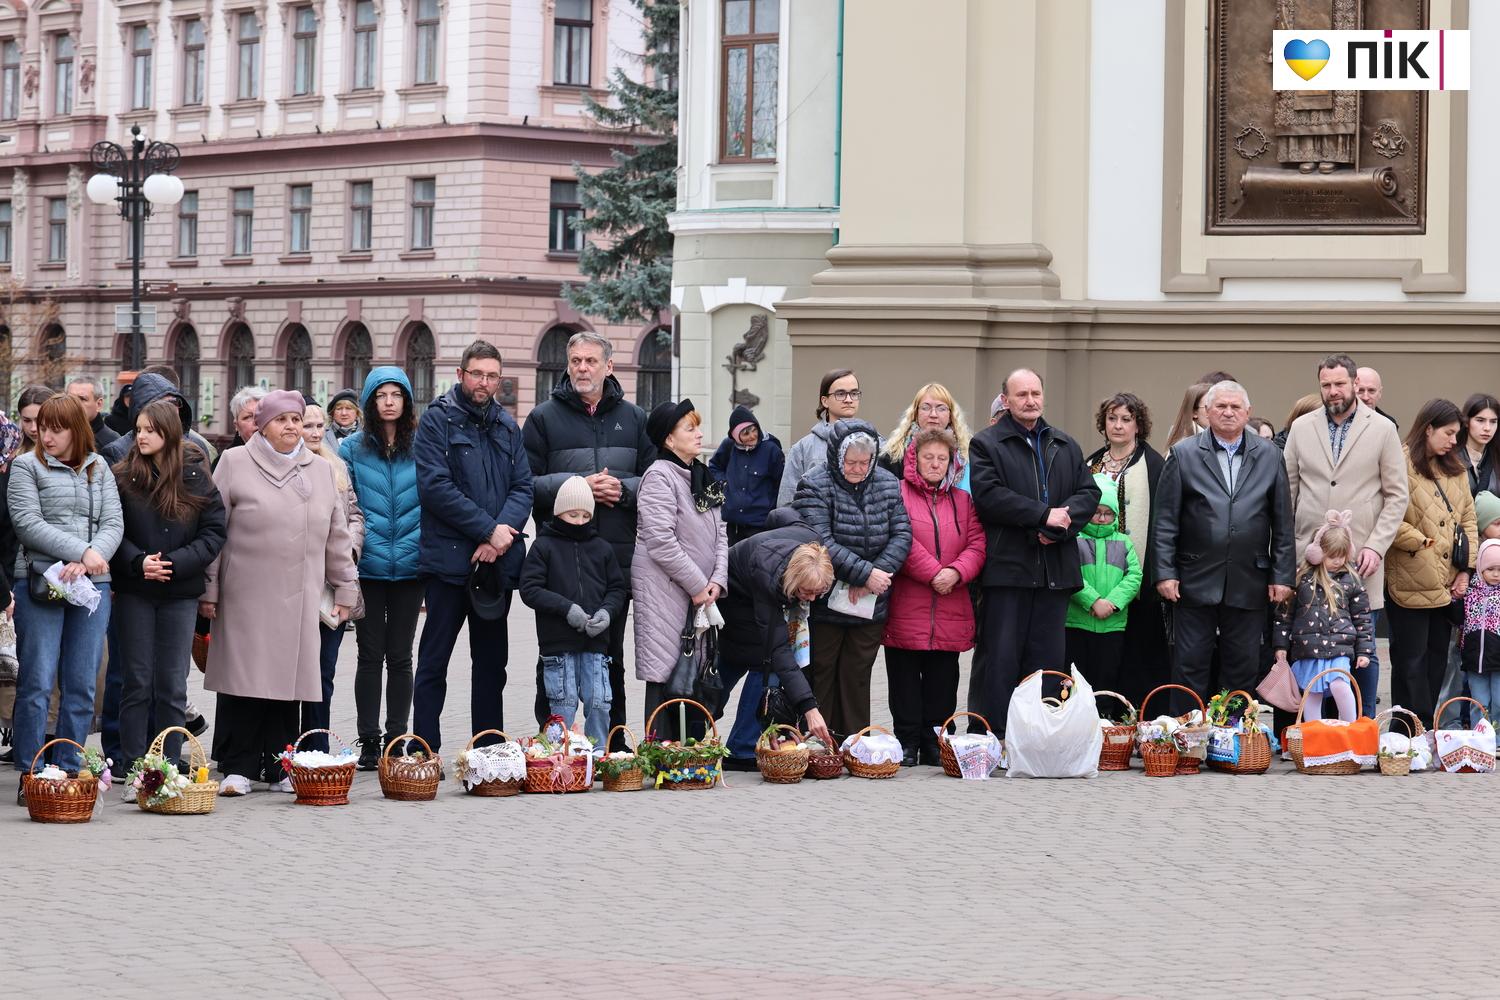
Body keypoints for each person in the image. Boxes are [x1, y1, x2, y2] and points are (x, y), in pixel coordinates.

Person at [200, 390, 358, 795]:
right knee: (244, 679)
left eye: (296, 419)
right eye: (282, 420)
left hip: (299, 593)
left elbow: (337, 536)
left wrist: (345, 589)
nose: (291, 426)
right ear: (263, 425)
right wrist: (210, 589)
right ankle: (237, 766)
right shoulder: (235, 463)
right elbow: (215, 530)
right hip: (245, 592)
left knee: (289, 685)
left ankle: (280, 767)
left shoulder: (319, 470)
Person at [522, 331, 652, 751]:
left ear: (608, 367)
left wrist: (624, 489)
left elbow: (654, 482)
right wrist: (578, 485)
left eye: (591, 361)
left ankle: (614, 741)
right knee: (556, 652)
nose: (582, 368)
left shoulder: (634, 418)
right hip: (558, 558)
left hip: (614, 555)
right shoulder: (544, 417)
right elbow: (525, 484)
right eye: (575, 361)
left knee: (608, 651)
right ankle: (552, 738)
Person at [412, 341, 532, 754]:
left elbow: (523, 487)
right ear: (461, 374)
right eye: (477, 373)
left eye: (492, 375)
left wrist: (500, 537)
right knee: (433, 662)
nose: (484, 382)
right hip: (447, 562)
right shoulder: (436, 422)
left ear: (499, 379)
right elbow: (435, 488)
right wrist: (487, 531)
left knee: (491, 665)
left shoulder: (506, 425)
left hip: (494, 566)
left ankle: (490, 750)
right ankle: (423, 751)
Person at [968, 369, 1098, 737]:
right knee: (999, 661)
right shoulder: (986, 443)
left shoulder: (1065, 444)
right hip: (1007, 572)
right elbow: (989, 496)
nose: (1030, 400)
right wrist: (1042, 516)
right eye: (1021, 394)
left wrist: (1057, 528)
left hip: (1054, 572)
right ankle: (989, 738)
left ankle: (1042, 739)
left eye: (1036, 393)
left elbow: (1087, 494)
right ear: (1005, 401)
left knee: (1048, 665)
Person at [1154, 381, 1295, 711]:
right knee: (1190, 663)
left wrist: (1283, 575)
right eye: (1221, 407)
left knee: (1242, 665)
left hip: (1249, 578)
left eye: (1235, 407)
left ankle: (1232, 742)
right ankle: (1186, 740)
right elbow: (1165, 521)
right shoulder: (1184, 454)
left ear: (1248, 412)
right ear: (1206, 412)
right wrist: (1164, 572)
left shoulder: (1270, 455)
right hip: (1193, 577)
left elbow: (1283, 522)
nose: (1228, 412)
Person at [1282, 354, 1408, 717]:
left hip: (1360, 556)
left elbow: (1397, 495)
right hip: (1311, 555)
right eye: (1326, 384)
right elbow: (1288, 491)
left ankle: (1362, 725)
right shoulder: (1302, 427)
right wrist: (1290, 551)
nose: (1333, 391)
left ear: (1354, 384)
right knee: (1307, 638)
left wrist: (1377, 546)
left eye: (1339, 383)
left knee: (1361, 641)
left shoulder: (1382, 429)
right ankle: (1307, 732)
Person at [9, 394, 123, 790]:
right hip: (40, 583)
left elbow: (113, 522)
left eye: (56, 428)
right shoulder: (26, 467)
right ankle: (31, 770)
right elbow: (27, 523)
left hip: (91, 584)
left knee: (81, 682)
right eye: (42, 428)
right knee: (38, 681)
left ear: (77, 430)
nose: (47, 435)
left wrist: (93, 558)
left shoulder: (100, 467)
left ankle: (70, 767)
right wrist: (81, 551)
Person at [110, 398, 225, 781]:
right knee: (138, 680)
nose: (141, 436)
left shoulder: (195, 474)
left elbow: (214, 531)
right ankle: (133, 766)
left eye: (150, 430)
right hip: (135, 589)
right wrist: (138, 561)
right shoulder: (122, 475)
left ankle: (169, 766)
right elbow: (111, 528)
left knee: (172, 684)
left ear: (169, 433)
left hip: (179, 591)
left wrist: (176, 562)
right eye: (138, 429)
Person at [793, 418, 910, 740]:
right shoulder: (814, 484)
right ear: (836, 457)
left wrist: (876, 576)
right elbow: (820, 539)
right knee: (822, 670)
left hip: (872, 597)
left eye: (864, 462)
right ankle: (819, 744)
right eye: (851, 462)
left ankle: (854, 743)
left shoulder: (887, 483)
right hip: (827, 596)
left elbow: (902, 533)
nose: (858, 469)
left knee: (858, 674)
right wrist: (863, 573)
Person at [883, 427, 985, 765]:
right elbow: (901, 539)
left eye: (942, 458)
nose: (936, 463)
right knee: (904, 679)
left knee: (944, 679)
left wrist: (956, 572)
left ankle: (935, 740)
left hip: (951, 602)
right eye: (929, 457)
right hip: (908, 601)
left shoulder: (963, 499)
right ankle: (907, 741)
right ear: (914, 458)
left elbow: (977, 543)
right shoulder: (897, 493)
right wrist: (933, 573)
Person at [339, 367, 423, 771]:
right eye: (381, 395)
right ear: (370, 403)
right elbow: (346, 506)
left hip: (410, 566)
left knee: (402, 656)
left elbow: (433, 500)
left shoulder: (422, 446)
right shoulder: (352, 449)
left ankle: (396, 738)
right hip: (367, 567)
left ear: (406, 401)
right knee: (370, 655)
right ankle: (369, 739)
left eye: (397, 394)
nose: (389, 401)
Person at [633, 399, 728, 737]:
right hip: (667, 592)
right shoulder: (659, 476)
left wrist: (717, 580)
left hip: (698, 593)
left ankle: (689, 752)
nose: (700, 434)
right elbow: (660, 541)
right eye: (691, 429)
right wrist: (698, 584)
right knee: (667, 671)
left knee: (693, 670)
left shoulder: (699, 475)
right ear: (669, 440)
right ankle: (663, 754)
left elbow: (721, 533)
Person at [716, 511, 837, 764]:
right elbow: (780, 650)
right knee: (759, 660)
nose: (812, 599)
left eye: (819, 593)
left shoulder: (813, 539)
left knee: (759, 662)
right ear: (793, 582)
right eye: (807, 593)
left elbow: (778, 515)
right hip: (735, 598)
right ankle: (734, 745)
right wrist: (810, 709)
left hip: (756, 582)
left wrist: (764, 536)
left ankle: (740, 743)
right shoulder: (768, 579)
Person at [1385, 398, 1478, 726]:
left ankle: (1426, 729)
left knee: (1437, 659)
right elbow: (1389, 515)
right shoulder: (1399, 460)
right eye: (1449, 433)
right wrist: (1423, 542)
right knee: (1410, 659)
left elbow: (1468, 518)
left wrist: (1466, 569)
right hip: (1409, 575)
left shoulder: (1457, 469)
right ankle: (1405, 729)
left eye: (1457, 435)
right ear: (1428, 428)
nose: (1455, 441)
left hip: (1447, 580)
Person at [518, 476, 625, 749]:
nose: (578, 521)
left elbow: (617, 589)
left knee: (599, 701)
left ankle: (598, 756)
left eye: (584, 515)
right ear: (558, 512)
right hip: (559, 643)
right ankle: (559, 756)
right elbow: (530, 588)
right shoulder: (544, 546)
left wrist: (607, 613)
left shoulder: (602, 548)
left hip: (596, 642)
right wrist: (567, 609)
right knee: (562, 704)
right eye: (572, 514)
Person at [1085, 392, 1168, 704]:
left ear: (1138, 425)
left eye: (1126, 419)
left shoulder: (1154, 465)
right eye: (1112, 418)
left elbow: (1164, 520)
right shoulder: (1090, 463)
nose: (1118, 425)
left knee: (1138, 646)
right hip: (1093, 571)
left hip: (1137, 572)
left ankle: (1135, 717)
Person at [298, 402, 365, 754]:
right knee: (293, 673)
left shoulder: (336, 466)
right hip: (295, 584)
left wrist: (349, 548)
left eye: (317, 425)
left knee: (323, 671)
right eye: (306, 424)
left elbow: (355, 514)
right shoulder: (286, 465)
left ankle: (317, 748)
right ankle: (287, 751)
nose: (313, 431)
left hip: (331, 584)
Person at [1272, 514, 1374, 723]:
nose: (1338, 561)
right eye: (1331, 556)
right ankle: (1314, 736)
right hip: (1308, 649)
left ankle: (1349, 730)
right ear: (1317, 553)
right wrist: (1281, 645)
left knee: (1340, 685)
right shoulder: (1302, 579)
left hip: (1339, 649)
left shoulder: (1352, 580)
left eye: (1342, 555)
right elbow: (1285, 614)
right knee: (1312, 693)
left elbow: (1363, 618)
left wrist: (1364, 650)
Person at [1064, 473, 1141, 696]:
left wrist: (1113, 602)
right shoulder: (1074, 540)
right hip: (1077, 623)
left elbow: (1134, 576)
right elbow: (1071, 575)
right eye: (1096, 512)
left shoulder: (1123, 542)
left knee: (1107, 677)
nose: (1101, 518)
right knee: (1075, 679)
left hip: (1112, 624)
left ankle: (1105, 721)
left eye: (1108, 513)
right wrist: (1093, 601)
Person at [778, 368, 860, 507]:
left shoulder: (877, 444)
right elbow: (786, 504)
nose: (848, 399)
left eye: (854, 393)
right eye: (840, 394)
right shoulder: (802, 449)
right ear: (825, 401)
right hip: (814, 527)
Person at [708, 404, 784, 545]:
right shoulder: (728, 446)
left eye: (754, 430)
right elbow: (714, 467)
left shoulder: (771, 450)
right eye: (745, 433)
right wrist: (724, 484)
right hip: (731, 524)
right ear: (736, 436)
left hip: (760, 525)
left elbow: (780, 484)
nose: (752, 436)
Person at [878, 382, 973, 492]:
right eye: (925, 407)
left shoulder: (966, 455)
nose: (933, 414)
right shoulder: (894, 454)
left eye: (941, 408)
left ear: (951, 416)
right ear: (915, 413)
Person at [1455, 539, 1500, 719]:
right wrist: (1456, 598)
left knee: (1499, 702)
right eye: (1490, 569)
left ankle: (1497, 739)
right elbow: (1457, 617)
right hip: (1474, 659)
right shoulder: (1471, 592)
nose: (1496, 574)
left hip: (1498, 660)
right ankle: (1479, 736)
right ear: (1480, 568)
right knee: (1478, 702)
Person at [1458, 393, 1500, 497]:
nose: (1487, 428)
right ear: (1467, 422)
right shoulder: (1450, 457)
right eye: (1480, 420)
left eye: (1493, 421)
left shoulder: (1496, 457)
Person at [66, 377, 120, 450]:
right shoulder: (55, 436)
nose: (75, 403)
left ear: (99, 404)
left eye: (82, 399)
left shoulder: (113, 443)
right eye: (70, 399)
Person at [104, 371, 137, 436]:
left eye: (132, 396)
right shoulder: (111, 420)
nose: (130, 399)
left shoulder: (140, 418)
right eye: (127, 396)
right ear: (122, 398)